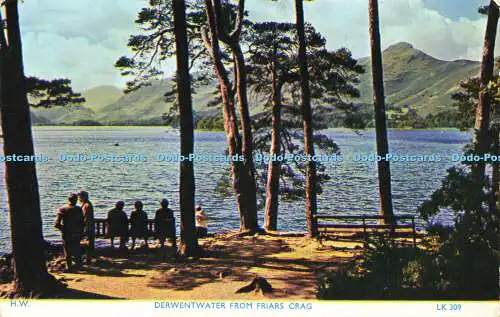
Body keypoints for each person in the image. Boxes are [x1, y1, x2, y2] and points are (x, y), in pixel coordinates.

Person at [55, 193, 84, 272]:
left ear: (68, 200)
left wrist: (64, 229)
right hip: (76, 232)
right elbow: (82, 222)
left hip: (67, 233)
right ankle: (79, 266)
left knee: (67, 251)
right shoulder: (78, 209)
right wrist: (81, 232)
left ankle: (69, 267)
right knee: (77, 249)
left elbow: (56, 224)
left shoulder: (62, 209)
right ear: (76, 200)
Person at [78, 190, 94, 264]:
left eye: (80, 197)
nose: (79, 198)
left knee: (88, 244)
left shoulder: (87, 205)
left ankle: (88, 259)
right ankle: (87, 259)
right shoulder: (86, 204)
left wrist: (83, 227)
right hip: (88, 226)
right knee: (88, 243)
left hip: (88, 227)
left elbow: (86, 218)